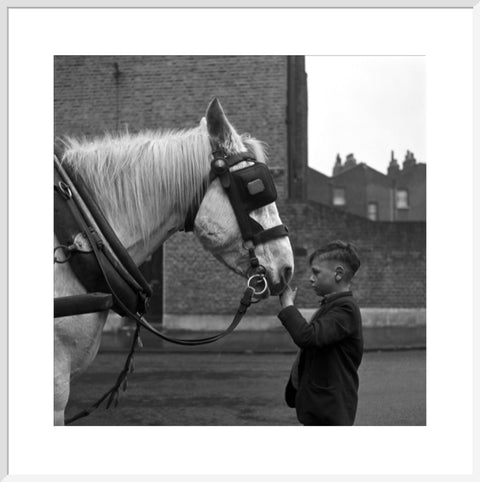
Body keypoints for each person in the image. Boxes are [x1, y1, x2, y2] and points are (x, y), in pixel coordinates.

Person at [278, 240, 363, 426]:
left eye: (316, 272)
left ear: (338, 274)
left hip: (330, 411)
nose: (311, 278)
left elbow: (307, 337)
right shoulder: (332, 305)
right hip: (320, 407)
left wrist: (288, 305)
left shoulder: (345, 309)